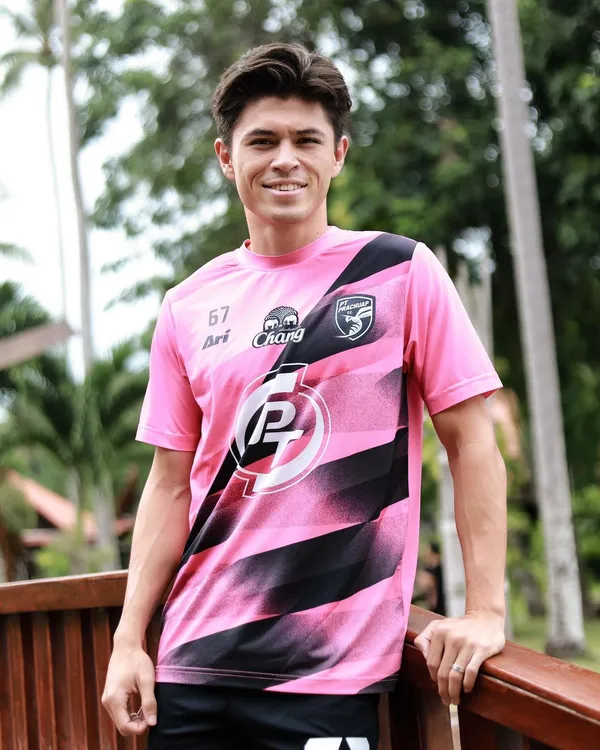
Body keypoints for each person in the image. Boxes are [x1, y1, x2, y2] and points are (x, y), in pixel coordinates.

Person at [102, 42, 507, 749]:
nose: (285, 159)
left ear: (338, 154)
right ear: (226, 157)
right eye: (262, 141)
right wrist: (130, 639)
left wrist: (486, 611)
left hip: (326, 674)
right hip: (191, 666)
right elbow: (168, 485)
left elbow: (472, 442)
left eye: (306, 140)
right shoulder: (187, 304)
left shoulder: (398, 272)